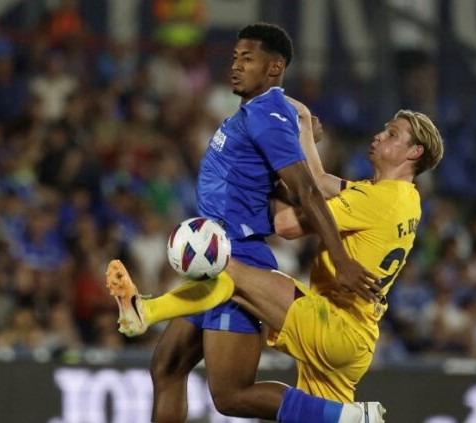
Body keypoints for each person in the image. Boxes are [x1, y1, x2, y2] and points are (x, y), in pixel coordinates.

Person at [108, 22, 381, 423]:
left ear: (274, 68)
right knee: (166, 367)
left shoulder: (268, 115)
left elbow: (306, 191)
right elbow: (274, 181)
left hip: (237, 259)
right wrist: (305, 132)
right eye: (235, 57)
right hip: (215, 259)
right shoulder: (259, 113)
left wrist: (340, 259)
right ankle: (144, 310)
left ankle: (349, 419)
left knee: (231, 395)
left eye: (247, 59)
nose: (235, 66)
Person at [108, 108, 444, 418]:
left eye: (393, 135)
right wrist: (302, 132)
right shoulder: (403, 197)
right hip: (353, 341)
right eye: (384, 130)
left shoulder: (378, 200)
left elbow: (287, 224)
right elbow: (319, 181)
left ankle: (147, 311)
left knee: (224, 266)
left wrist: (256, 178)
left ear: (414, 153)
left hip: (334, 326)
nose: (379, 136)